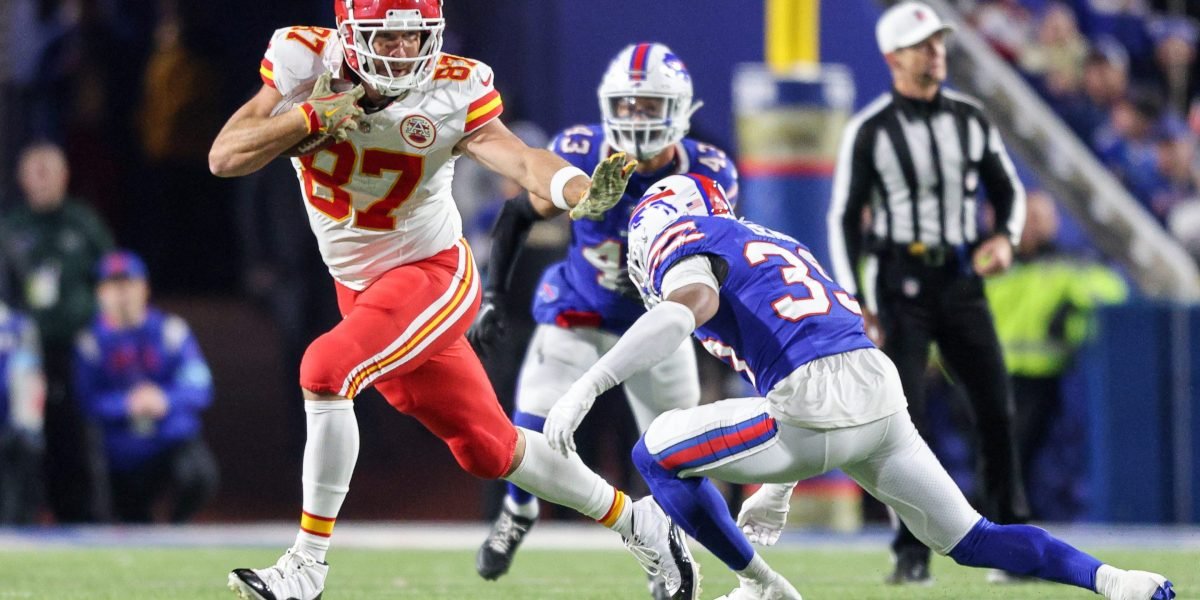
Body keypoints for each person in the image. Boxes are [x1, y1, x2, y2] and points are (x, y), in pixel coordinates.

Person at [208, 2, 696, 599]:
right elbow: (225, 156)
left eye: (415, 37)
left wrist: (575, 187)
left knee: (325, 369)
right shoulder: (304, 61)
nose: (403, 52)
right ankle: (638, 521)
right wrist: (309, 116)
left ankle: (306, 566)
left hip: (431, 275)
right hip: (361, 290)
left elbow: (519, 157)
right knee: (489, 449)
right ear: (350, 35)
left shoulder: (452, 88)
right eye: (386, 39)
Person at [543, 173, 1176, 600]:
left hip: (812, 405)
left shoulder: (686, 239)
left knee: (654, 453)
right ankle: (1116, 582)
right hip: (877, 391)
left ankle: (762, 585)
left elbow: (689, 309)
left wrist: (589, 385)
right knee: (973, 538)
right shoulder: (773, 241)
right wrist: (778, 485)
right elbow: (813, 348)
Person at [471, 41, 738, 582]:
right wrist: (494, 293)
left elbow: (718, 262)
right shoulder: (581, 150)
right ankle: (518, 509)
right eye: (627, 104)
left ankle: (670, 557)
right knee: (532, 426)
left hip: (653, 326)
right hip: (579, 311)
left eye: (649, 105)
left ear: (679, 109)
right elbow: (519, 213)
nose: (636, 117)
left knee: (678, 457)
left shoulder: (707, 171)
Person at [825, 1, 1029, 583]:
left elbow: (1008, 190)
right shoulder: (870, 129)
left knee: (996, 408)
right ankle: (911, 551)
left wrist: (1006, 238)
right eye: (921, 45)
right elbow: (844, 218)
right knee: (903, 420)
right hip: (900, 285)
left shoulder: (970, 117)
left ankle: (1011, 540)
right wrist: (855, 298)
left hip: (961, 280)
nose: (935, 52)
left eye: (938, 42)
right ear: (893, 57)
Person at [984, 192, 1127, 520]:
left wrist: (1071, 309)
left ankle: (1007, 519)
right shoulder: (990, 261)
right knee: (997, 454)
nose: (1035, 226)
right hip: (987, 375)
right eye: (1030, 218)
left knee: (1019, 453)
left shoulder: (1067, 263)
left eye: (1041, 218)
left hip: (1040, 376)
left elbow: (1112, 290)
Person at [0, 141, 115, 523]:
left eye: (49, 171)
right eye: (36, 171)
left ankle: (87, 517)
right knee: (26, 432)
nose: (43, 179)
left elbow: (112, 275)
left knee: (80, 433)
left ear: (65, 176)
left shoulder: (83, 223)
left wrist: (97, 323)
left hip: (77, 348)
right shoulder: (11, 228)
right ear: (22, 178)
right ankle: (21, 515)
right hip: (25, 355)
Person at [73, 250, 219, 523]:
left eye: (128, 284)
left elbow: (200, 386)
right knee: (123, 510)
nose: (122, 295)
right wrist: (126, 404)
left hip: (168, 439)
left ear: (144, 288)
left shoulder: (171, 331)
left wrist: (164, 399)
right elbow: (86, 400)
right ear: (100, 293)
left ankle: (177, 525)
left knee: (198, 474)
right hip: (121, 451)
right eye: (113, 286)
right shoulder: (91, 342)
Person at [0, 299, 46, 524]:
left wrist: (27, 426)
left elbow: (29, 376)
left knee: (25, 445)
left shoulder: (18, 326)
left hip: (10, 427)